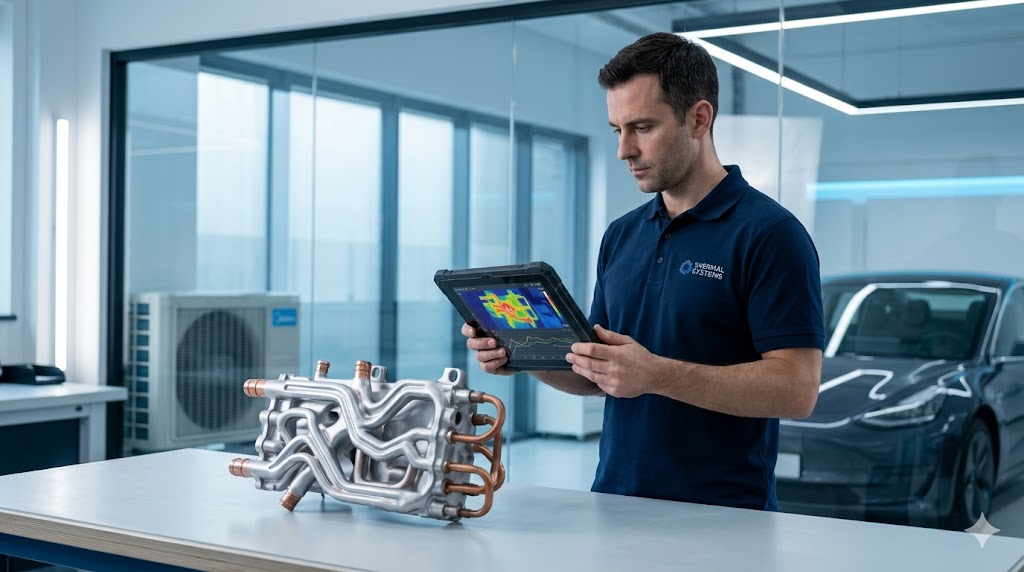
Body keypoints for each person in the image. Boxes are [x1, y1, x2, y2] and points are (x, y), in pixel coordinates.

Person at [463, 32, 825, 512]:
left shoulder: (771, 234)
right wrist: (521, 352)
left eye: (642, 127)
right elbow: (597, 373)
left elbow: (796, 389)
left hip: (726, 519)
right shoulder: (622, 235)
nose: (624, 150)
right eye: (617, 130)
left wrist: (656, 374)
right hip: (614, 504)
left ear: (699, 118)